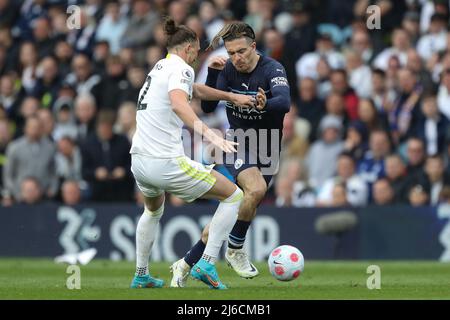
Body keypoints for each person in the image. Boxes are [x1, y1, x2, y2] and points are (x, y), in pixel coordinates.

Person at [129, 18, 255, 290]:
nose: (196, 59)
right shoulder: (182, 69)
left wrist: (232, 97)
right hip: (164, 162)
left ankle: (141, 274)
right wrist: (208, 133)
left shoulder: (160, 68)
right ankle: (207, 262)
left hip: (139, 159)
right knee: (234, 195)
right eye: (196, 53)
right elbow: (178, 103)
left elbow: (195, 91)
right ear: (188, 49)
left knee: (152, 211)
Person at [171, 22, 290, 286]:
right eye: (232, 52)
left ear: (254, 47)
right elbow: (210, 106)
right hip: (237, 142)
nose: (236, 57)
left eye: (241, 51)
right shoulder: (227, 69)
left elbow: (284, 102)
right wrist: (213, 76)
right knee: (256, 189)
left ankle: (186, 263)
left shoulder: (273, 69)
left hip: (268, 147)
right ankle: (235, 249)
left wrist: (265, 103)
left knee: (232, 213)